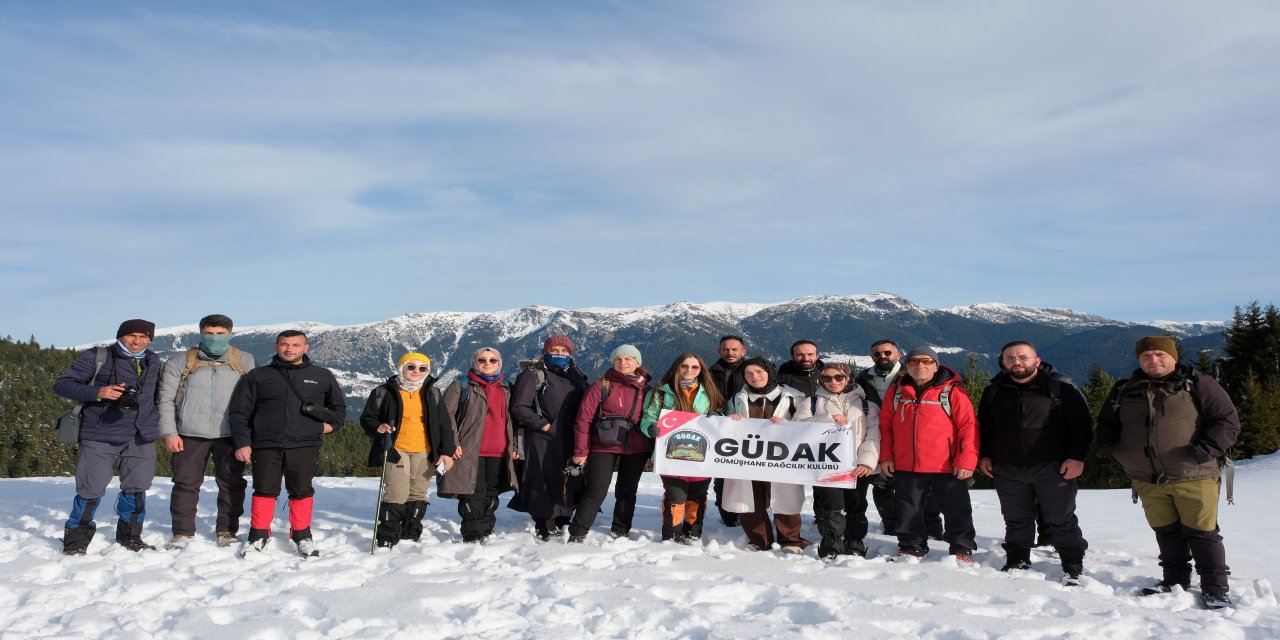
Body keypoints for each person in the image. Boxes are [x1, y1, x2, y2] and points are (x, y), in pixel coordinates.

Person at [1098, 336, 1240, 608]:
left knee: (1203, 533)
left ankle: (1216, 589)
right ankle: (1174, 582)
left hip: (1193, 474)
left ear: (1173, 356)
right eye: (1146, 356)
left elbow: (1227, 420)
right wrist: (1116, 452)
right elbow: (1107, 426)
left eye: (1160, 354)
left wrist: (1204, 450)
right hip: (1146, 478)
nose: (1153, 360)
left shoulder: (1198, 383)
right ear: (1139, 360)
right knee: (1166, 532)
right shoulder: (1124, 389)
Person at [977, 341, 1091, 583]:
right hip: (1008, 467)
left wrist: (1077, 457)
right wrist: (984, 455)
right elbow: (984, 427)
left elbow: (1082, 425)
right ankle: (1018, 559)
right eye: (1010, 358)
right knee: (1016, 518)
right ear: (1003, 363)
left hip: (1053, 466)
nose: (1016, 362)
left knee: (1061, 518)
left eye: (1022, 357)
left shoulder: (1060, 387)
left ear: (1036, 361)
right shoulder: (995, 390)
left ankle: (1072, 564)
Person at [229, 330, 346, 557]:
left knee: (301, 490)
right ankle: (258, 534)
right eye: (284, 344)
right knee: (264, 490)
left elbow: (339, 410)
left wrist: (329, 427)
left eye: (295, 345)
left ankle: (302, 535)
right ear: (276, 347)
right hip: (265, 444)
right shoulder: (258, 376)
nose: (289, 349)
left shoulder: (322, 375)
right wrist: (242, 442)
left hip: (305, 445)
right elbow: (240, 412)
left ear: (306, 348)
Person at [54, 319, 163, 554]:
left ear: (150, 340)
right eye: (131, 335)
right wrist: (98, 392)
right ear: (120, 336)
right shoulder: (97, 356)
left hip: (140, 434)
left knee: (137, 487)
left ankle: (130, 536)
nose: (137, 341)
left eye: (143, 337)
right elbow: (62, 385)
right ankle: (76, 540)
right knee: (90, 488)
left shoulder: (153, 360)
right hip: (100, 433)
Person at [157, 314, 256, 550]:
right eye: (209, 333)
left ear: (230, 334)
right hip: (189, 433)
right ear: (201, 333)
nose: (214, 338)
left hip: (231, 434)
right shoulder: (180, 361)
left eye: (220, 334)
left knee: (232, 484)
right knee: (185, 484)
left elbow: (254, 401)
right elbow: (165, 400)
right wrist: (170, 433)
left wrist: (249, 438)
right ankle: (182, 532)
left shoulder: (244, 360)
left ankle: (227, 530)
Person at [879, 347, 978, 563]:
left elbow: (969, 428)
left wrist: (966, 460)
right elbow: (885, 427)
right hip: (907, 464)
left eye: (926, 361)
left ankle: (961, 547)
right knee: (908, 509)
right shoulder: (896, 393)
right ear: (907, 366)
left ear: (936, 365)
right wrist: (886, 456)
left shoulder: (952, 392)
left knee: (956, 508)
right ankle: (911, 546)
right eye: (914, 361)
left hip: (947, 464)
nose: (920, 366)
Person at [360, 353, 455, 548]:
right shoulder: (384, 392)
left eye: (422, 368)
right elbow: (367, 419)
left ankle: (411, 533)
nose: (416, 372)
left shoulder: (433, 393)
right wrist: (378, 427)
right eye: (411, 367)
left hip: (425, 451)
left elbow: (444, 425)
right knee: (397, 493)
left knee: (418, 494)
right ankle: (388, 535)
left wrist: (447, 451)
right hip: (396, 449)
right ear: (401, 368)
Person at [854, 339, 942, 539]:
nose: (882, 357)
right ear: (872, 357)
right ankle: (892, 525)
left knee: (922, 485)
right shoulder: (862, 379)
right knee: (882, 484)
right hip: (878, 436)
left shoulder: (911, 374)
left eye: (887, 353)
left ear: (897, 355)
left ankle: (932, 527)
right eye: (877, 354)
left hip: (911, 437)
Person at [723, 358, 811, 552]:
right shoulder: (738, 398)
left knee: (786, 498)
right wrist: (730, 419)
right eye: (749, 374)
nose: (755, 377)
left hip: (782, 457)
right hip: (748, 457)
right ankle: (758, 539)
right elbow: (722, 424)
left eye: (759, 372)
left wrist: (788, 426)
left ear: (770, 372)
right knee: (749, 499)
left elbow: (808, 424)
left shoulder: (793, 397)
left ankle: (790, 540)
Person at [793, 362, 880, 558]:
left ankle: (854, 543)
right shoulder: (812, 403)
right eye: (827, 378)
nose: (833, 382)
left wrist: (866, 461)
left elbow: (873, 435)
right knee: (830, 507)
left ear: (848, 377)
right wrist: (826, 418)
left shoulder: (867, 406)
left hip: (857, 466)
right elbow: (797, 426)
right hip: (826, 464)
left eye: (838, 377)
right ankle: (831, 546)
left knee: (855, 506)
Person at [567, 345, 652, 542]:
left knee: (627, 490)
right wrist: (581, 450)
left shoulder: (647, 389)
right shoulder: (601, 386)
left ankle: (620, 530)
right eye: (618, 359)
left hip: (637, 447)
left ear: (637, 363)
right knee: (596, 489)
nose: (623, 363)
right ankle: (578, 532)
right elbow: (583, 419)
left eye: (629, 359)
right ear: (612, 362)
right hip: (602, 445)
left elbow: (652, 418)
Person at [509, 336, 590, 541]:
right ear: (545, 351)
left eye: (564, 351)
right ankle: (544, 521)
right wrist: (542, 424)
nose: (559, 354)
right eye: (555, 349)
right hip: (541, 438)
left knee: (567, 476)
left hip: (570, 436)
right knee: (541, 479)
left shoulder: (576, 375)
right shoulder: (533, 374)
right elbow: (519, 406)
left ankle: (563, 516)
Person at [639, 353, 726, 543]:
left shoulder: (709, 391)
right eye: (684, 366)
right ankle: (671, 535)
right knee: (675, 495)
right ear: (676, 368)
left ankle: (692, 533)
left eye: (694, 367)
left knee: (697, 496)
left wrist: (718, 415)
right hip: (670, 454)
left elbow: (722, 418)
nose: (689, 370)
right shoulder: (661, 392)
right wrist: (650, 429)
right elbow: (647, 419)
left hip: (703, 455)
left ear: (701, 370)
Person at [440, 347, 519, 543]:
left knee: (492, 492)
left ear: (499, 363)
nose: (487, 364)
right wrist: (452, 443)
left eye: (493, 360)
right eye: (482, 360)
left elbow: (516, 421)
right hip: (470, 449)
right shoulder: (462, 385)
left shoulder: (507, 387)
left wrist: (516, 445)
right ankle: (472, 532)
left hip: (500, 450)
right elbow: (446, 415)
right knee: (473, 491)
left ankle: (486, 528)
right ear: (475, 362)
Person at [709, 335, 750, 527]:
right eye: (725, 349)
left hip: (749, 430)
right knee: (722, 476)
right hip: (719, 430)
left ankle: (750, 515)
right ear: (718, 351)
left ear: (744, 351)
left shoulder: (753, 372)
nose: (730, 353)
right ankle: (728, 517)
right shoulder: (708, 373)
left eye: (734, 349)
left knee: (749, 476)